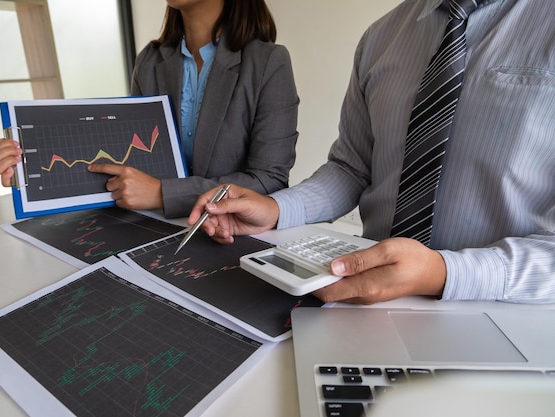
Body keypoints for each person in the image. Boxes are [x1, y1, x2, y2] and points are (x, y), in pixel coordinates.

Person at [188, 0, 555, 305]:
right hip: (366, 296)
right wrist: (276, 209)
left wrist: (444, 272)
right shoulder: (381, 38)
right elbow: (352, 168)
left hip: (503, 309)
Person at [0, 0, 298, 218]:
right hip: (154, 227)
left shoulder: (269, 62)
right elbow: (127, 161)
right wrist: (33, 175)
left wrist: (165, 193)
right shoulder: (150, 60)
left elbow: (269, 179)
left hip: (235, 232)